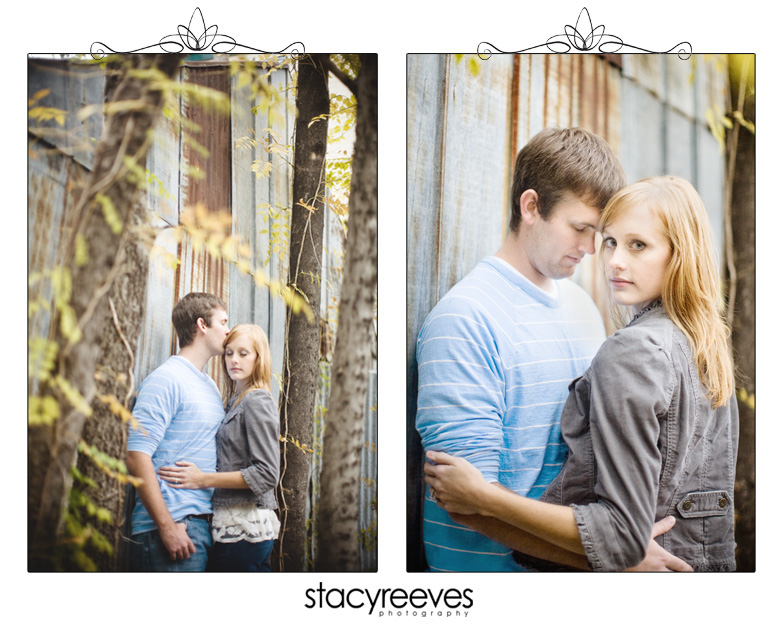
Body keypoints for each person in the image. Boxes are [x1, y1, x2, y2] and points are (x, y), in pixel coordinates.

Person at [425, 176, 739, 572]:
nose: (611, 259)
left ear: (680, 255)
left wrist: (485, 498)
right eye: (611, 241)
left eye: (637, 245)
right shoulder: (703, 343)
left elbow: (622, 536)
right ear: (531, 207)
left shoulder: (634, 349)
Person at [414, 127, 627, 571]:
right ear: (531, 206)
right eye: (579, 228)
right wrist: (614, 558)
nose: (591, 248)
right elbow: (467, 504)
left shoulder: (583, 308)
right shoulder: (464, 320)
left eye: (598, 232)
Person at [158, 324, 281, 572]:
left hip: (245, 528)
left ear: (259, 357)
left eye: (243, 353)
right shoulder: (236, 400)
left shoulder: (257, 400)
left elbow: (267, 473)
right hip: (231, 526)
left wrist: (203, 479)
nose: (234, 360)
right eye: (229, 353)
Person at [126, 292, 229, 571]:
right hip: (172, 527)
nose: (229, 330)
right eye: (223, 321)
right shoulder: (166, 379)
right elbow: (136, 454)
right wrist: (167, 526)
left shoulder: (210, 385)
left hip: (204, 525)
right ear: (202, 325)